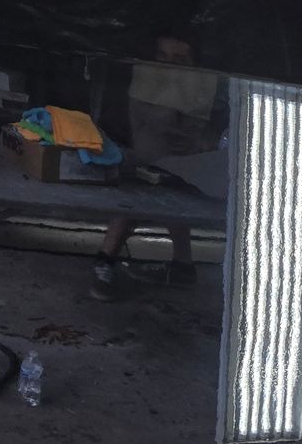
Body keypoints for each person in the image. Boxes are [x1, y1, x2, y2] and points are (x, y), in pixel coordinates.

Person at [90, 36, 216, 301]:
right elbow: (148, 136)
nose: (170, 67)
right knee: (147, 181)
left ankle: (109, 259)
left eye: (180, 60)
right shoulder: (145, 79)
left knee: (164, 183)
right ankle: (175, 265)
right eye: (163, 57)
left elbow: (189, 134)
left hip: (175, 165)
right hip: (142, 157)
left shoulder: (199, 83)